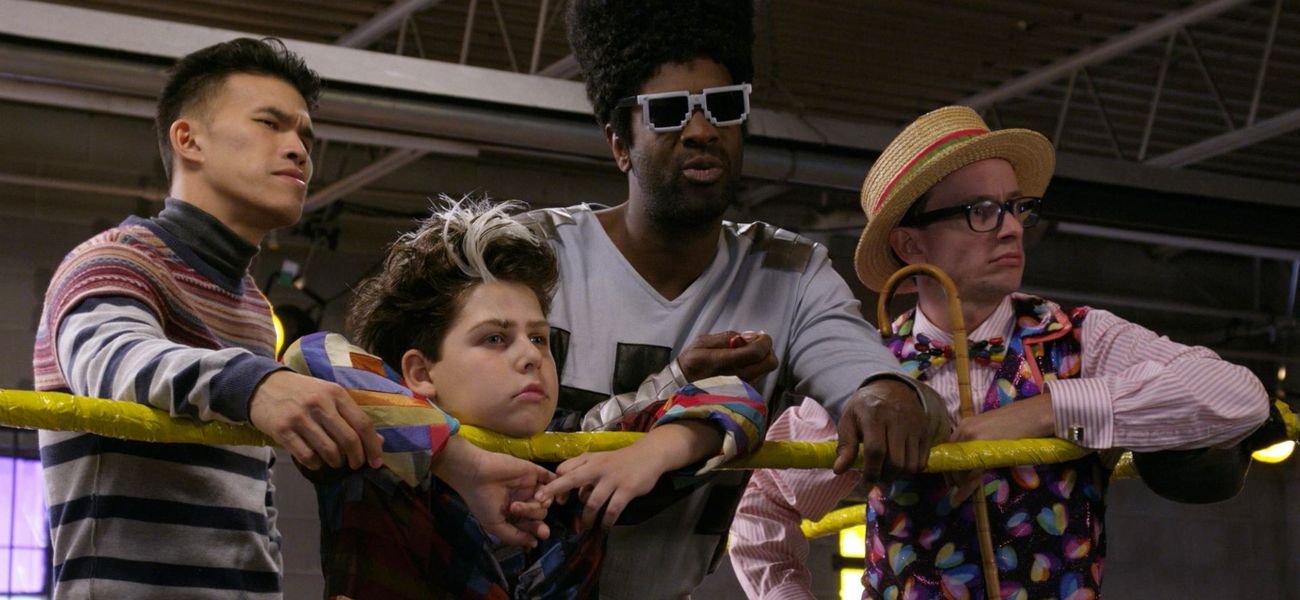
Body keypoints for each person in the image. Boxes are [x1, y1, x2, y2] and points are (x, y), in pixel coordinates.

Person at [728, 105, 1272, 599]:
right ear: (910, 243)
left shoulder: (1079, 338)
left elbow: (1239, 396)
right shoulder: (869, 373)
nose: (1011, 228)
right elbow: (761, 511)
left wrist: (1043, 411)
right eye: (981, 211)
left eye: (1016, 208)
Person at [523, 1, 946, 596]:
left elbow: (870, 377)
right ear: (619, 143)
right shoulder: (532, 254)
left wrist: (887, 392)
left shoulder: (789, 273)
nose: (702, 131)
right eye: (668, 112)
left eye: (724, 106)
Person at [32, 38, 386, 599]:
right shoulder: (114, 260)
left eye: (306, 136)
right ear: (188, 139)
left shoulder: (253, 306)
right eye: (270, 123)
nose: (299, 149)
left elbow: (251, 503)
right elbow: (113, 360)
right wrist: (257, 384)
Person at [283, 199, 767, 599]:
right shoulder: (372, 456)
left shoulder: (578, 453)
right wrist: (459, 461)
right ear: (420, 372)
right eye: (494, 338)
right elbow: (310, 355)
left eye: (539, 338)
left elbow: (737, 396)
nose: (531, 356)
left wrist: (650, 454)